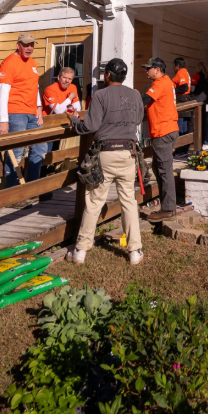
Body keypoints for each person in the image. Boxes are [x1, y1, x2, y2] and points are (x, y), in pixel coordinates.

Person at [68, 58, 144, 265]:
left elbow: (89, 126)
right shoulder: (135, 95)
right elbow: (138, 120)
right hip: (128, 153)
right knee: (128, 201)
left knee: (94, 201)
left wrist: (74, 119)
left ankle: (80, 251)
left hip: (105, 153)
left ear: (108, 75)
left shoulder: (100, 95)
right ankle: (135, 251)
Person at [0, 33, 50, 185]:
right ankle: (11, 192)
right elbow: (2, 93)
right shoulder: (9, 63)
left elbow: (34, 87)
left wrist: (38, 105)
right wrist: (4, 120)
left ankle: (31, 187)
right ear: (18, 45)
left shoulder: (33, 63)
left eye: (32, 45)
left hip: (32, 113)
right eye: (26, 45)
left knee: (40, 148)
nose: (29, 48)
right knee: (15, 152)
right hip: (16, 113)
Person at [143, 57, 181, 214]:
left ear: (157, 70)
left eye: (148, 68)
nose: (146, 71)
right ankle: (166, 202)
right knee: (158, 168)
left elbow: (144, 99)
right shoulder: (168, 81)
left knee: (164, 170)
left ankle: (169, 208)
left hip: (162, 131)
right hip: (169, 129)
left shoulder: (159, 83)